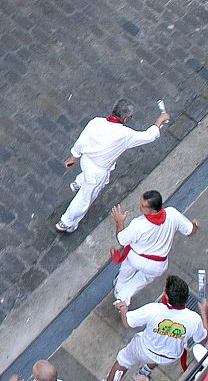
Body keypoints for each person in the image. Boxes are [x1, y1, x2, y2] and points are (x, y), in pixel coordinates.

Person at [56, 99, 170, 233]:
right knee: (84, 199)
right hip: (98, 172)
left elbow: (81, 141)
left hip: (86, 161)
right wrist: (159, 121)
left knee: (88, 179)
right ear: (126, 119)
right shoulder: (125, 134)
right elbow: (149, 136)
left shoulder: (96, 122)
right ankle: (66, 222)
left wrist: (74, 156)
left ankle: (79, 182)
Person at [106, 275, 208, 381]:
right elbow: (204, 339)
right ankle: (143, 372)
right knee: (163, 345)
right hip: (169, 356)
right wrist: (203, 311)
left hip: (143, 349)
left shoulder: (154, 309)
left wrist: (123, 308)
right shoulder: (194, 319)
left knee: (123, 361)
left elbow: (127, 322)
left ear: (167, 296)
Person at [110, 190, 198, 307]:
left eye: (143, 206)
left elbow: (121, 240)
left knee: (125, 270)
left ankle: (119, 287)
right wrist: (195, 225)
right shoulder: (173, 214)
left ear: (154, 210)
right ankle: (123, 298)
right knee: (142, 279)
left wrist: (119, 223)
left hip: (135, 257)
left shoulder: (138, 224)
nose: (140, 207)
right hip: (157, 264)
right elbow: (190, 231)